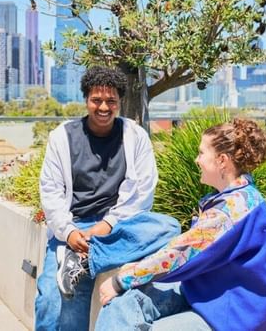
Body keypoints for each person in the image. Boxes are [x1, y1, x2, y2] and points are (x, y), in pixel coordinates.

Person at [96, 118, 266, 331]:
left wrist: (122, 279)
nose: (197, 159)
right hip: (203, 297)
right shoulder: (231, 198)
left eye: (202, 153)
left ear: (221, 160)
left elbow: (179, 253)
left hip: (228, 318)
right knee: (121, 303)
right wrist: (128, 277)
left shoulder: (233, 209)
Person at [35, 67, 180, 330]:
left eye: (111, 101)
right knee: (51, 302)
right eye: (96, 100)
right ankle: (74, 256)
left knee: (169, 226)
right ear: (86, 100)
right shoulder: (62, 137)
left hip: (119, 227)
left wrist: (106, 227)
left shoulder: (135, 137)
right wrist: (69, 233)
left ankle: (81, 259)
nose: (104, 107)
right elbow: (51, 191)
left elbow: (142, 194)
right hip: (74, 227)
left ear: (120, 102)